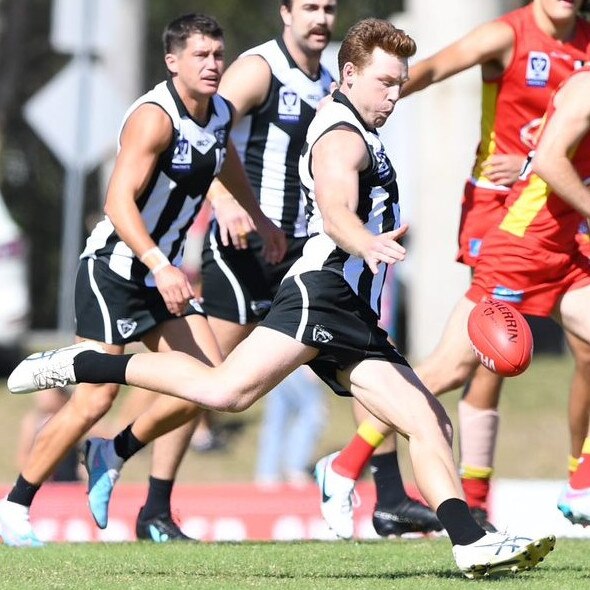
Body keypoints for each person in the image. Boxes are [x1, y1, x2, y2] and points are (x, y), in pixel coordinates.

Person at [6, 19, 556, 578]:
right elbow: (336, 206)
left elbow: (238, 163)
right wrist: (364, 239)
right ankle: (84, 364)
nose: (395, 95)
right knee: (226, 391)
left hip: (353, 312)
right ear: (350, 75)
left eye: (401, 83)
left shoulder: (366, 131)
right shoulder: (339, 133)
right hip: (320, 295)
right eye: (385, 82)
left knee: (429, 420)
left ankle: (467, 540)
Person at [73, 0, 436, 537]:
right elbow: (208, 132)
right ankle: (152, 501)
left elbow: (408, 78)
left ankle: (385, 493)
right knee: (208, 378)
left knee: (361, 352)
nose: (321, 18)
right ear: (285, 13)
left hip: (307, 248)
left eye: (329, 8)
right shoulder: (258, 68)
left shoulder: (338, 81)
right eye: (309, 7)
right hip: (246, 251)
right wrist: (224, 200)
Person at [0, 12, 285, 547]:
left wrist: (261, 218)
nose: (212, 65)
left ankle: (114, 449)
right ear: (172, 61)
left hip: (162, 276)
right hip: (115, 269)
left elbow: (223, 161)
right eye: (200, 55)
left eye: (218, 55)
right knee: (93, 399)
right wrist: (159, 263)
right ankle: (14, 506)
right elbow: (115, 201)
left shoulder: (219, 112)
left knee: (216, 387)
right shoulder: (155, 118)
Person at [323, 0, 590, 532]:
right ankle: (357, 467)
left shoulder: (584, 46)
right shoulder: (506, 35)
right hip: (506, 217)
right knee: (475, 359)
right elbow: (433, 68)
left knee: (567, 349)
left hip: (560, 220)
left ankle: (575, 481)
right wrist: (364, 110)